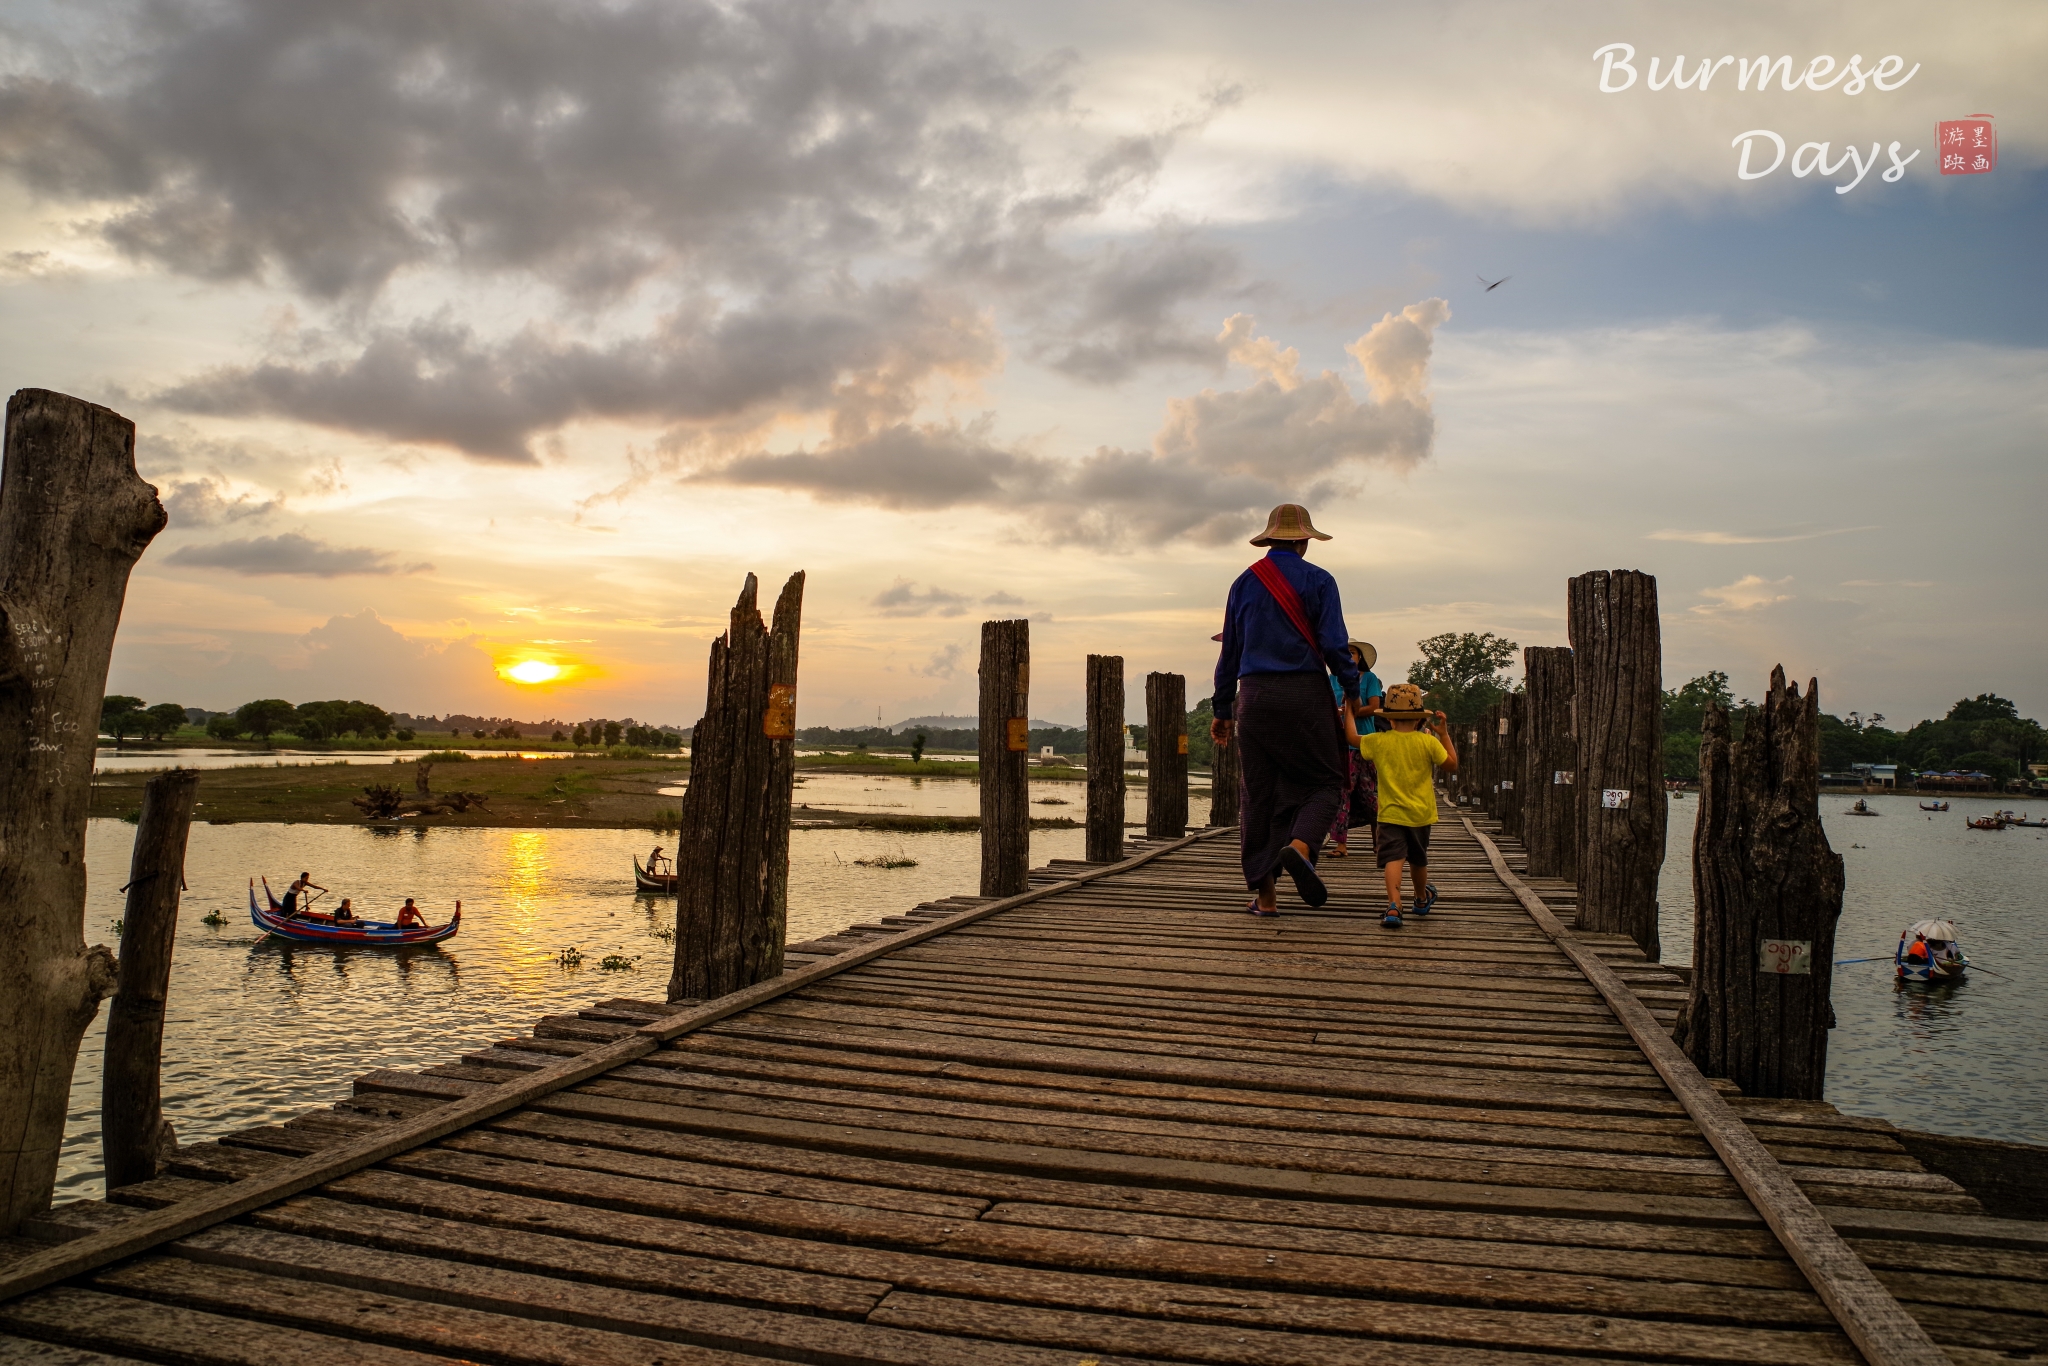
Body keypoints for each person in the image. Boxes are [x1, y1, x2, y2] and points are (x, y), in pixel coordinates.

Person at [1211, 504, 1361, 916]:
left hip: (1254, 698)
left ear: (1270, 538)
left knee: (1258, 797)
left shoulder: (1242, 583)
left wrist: (1223, 709)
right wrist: (1351, 689)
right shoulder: (1320, 580)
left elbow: (1230, 654)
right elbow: (1334, 645)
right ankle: (1300, 846)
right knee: (1327, 782)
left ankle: (1266, 898)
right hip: (1305, 695)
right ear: (1303, 541)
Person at [1356, 683, 1460, 928]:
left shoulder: (1378, 741)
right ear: (1418, 720)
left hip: (1390, 813)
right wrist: (1443, 734)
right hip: (1420, 814)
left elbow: (1351, 738)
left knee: (1393, 858)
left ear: (1389, 719)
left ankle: (1394, 905)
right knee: (1417, 859)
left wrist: (1349, 713)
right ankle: (1421, 899)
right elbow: (1452, 765)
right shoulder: (1428, 742)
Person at [1329, 640, 1385, 857]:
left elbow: (1374, 707)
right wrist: (1340, 713)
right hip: (1339, 744)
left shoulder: (1369, 678)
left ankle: (1379, 841)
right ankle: (1341, 844)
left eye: (1352, 653)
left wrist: (1350, 712)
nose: (1348, 656)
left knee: (1370, 793)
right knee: (1341, 794)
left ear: (1359, 657)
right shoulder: (1332, 679)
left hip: (1364, 743)